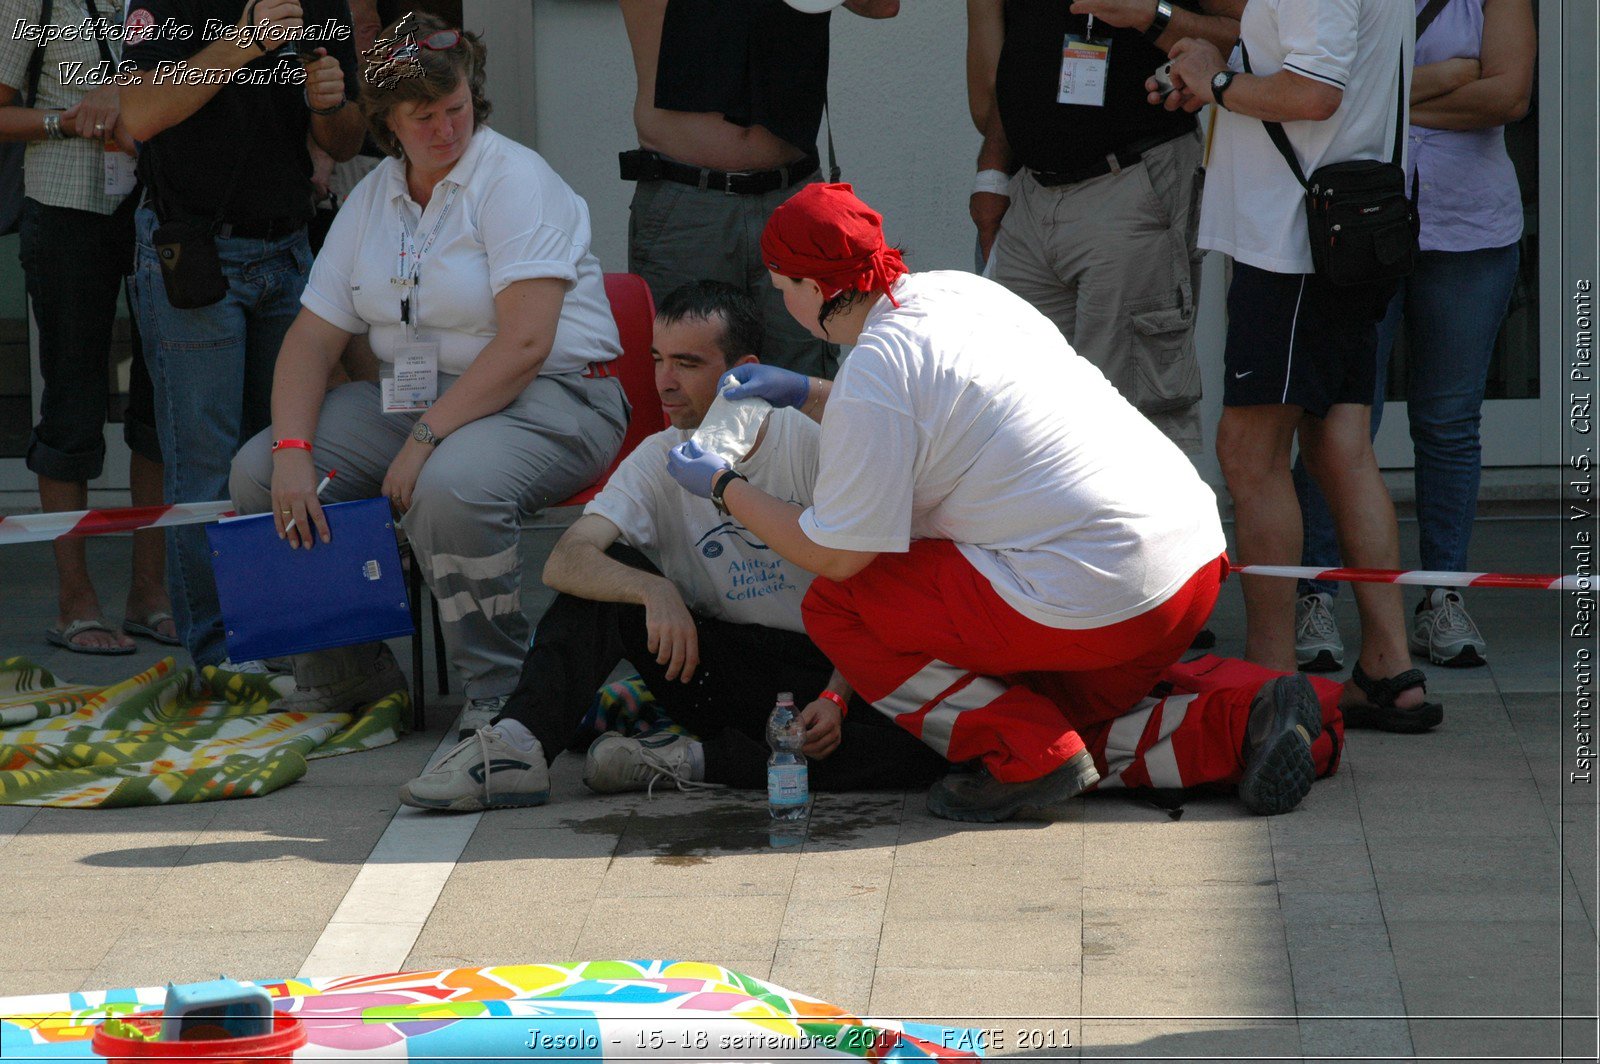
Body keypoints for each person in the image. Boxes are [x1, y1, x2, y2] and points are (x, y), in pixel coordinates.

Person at [664, 183, 1342, 822]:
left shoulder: (877, 366)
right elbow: (921, 418)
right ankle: (1263, 716)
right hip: (1188, 562)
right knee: (1061, 715)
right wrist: (809, 393)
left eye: (784, 290)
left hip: (1100, 595)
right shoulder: (957, 293)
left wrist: (725, 487)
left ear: (813, 288)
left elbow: (837, 555)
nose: (785, 303)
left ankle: (1026, 758)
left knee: (839, 608)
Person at [398, 281, 950, 811]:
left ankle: (683, 761)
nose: (663, 382)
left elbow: (880, 582)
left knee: (935, 752)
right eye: (658, 358)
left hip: (833, 666)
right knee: (606, 572)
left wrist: (836, 695)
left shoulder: (810, 443)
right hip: (718, 667)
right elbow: (566, 559)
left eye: (686, 364)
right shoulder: (658, 456)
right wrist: (653, 589)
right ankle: (517, 747)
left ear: (744, 373)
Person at [228, 13, 629, 724]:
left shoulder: (515, 179)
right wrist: (293, 450)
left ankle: (500, 691)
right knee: (259, 470)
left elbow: (526, 344)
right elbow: (311, 340)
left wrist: (426, 436)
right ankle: (350, 672)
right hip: (421, 398)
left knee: (449, 487)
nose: (447, 130)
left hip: (558, 397)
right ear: (387, 123)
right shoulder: (372, 196)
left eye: (458, 110)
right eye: (424, 117)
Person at [1154, 0, 1444, 734]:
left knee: (1250, 453)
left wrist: (1218, 83)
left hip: (1293, 244)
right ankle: (1388, 669)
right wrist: (1225, 76)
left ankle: (1270, 680)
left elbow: (1315, 93)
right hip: (1348, 225)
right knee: (1339, 446)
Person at [120, 0, 366, 668]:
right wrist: (246, 41)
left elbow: (346, 139)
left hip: (289, 251)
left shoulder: (321, 4)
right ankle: (217, 659)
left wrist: (329, 106)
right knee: (205, 469)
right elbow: (136, 113)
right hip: (195, 251)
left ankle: (289, 649)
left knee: (285, 462)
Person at [1292, 0, 1535, 672]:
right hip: (1360, 225)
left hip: (1471, 229)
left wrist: (1386, 104)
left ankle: (1443, 599)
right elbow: (1320, 88)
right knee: (1339, 418)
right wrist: (1454, 76)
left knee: (1450, 421)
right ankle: (1316, 595)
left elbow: (1509, 95)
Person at [968, 0, 1241, 454]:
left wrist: (1150, 13)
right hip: (1031, 194)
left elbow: (1249, 35)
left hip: (1130, 180)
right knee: (1016, 419)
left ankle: (1144, 529)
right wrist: (992, 171)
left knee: (1130, 419)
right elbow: (1020, 63)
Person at [0, 0, 173, 654]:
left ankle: (149, 592)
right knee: (72, 405)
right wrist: (64, 121)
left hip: (158, 209)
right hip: (65, 211)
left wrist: (129, 94)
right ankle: (76, 602)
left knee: (160, 405)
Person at [617, 0, 898, 381]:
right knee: (684, 380)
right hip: (687, 200)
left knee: (804, 379)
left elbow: (883, 6)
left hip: (790, 192)